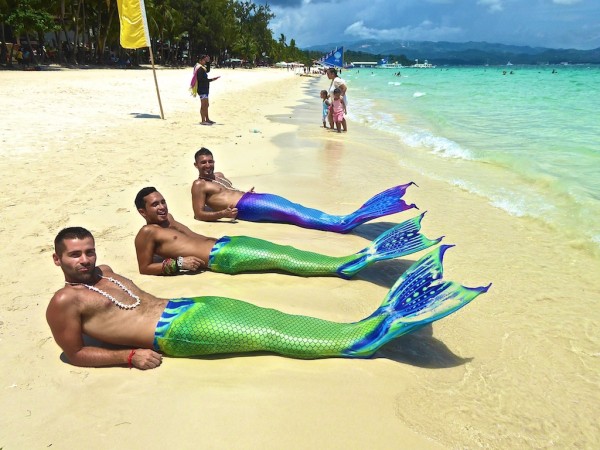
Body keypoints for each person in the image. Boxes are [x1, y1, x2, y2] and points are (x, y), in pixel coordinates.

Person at [46, 227, 489, 369]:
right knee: (272, 333)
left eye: (88, 251)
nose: (85, 260)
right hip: (174, 333)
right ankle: (364, 337)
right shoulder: (64, 302)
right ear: (57, 260)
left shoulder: (104, 274)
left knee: (278, 317)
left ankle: (369, 322)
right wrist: (129, 358)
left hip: (188, 308)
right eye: (74, 256)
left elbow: (140, 292)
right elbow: (75, 351)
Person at [134, 187, 440, 278]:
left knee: (287, 253)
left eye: (162, 201)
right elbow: (144, 268)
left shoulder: (168, 220)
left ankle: (350, 261)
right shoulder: (146, 234)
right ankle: (346, 266)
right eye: (154, 205)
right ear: (142, 211)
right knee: (284, 258)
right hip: (218, 257)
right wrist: (178, 265)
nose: (161, 207)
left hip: (226, 243)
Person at [191, 147, 417, 233]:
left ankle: (341, 220)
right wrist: (222, 214)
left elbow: (226, 192)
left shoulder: (219, 176)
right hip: (246, 207)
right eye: (204, 163)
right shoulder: (199, 185)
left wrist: (242, 191)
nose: (208, 165)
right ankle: (341, 224)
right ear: (196, 166)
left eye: (210, 161)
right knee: (294, 214)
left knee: (295, 208)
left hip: (251, 198)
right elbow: (198, 213)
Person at [193, 55, 220, 125]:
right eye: (204, 60)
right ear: (200, 60)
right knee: (203, 105)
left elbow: (207, 70)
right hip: (202, 89)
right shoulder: (199, 68)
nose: (205, 62)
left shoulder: (202, 68)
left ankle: (207, 119)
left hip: (204, 88)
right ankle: (203, 120)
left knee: (206, 104)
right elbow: (202, 80)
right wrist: (212, 79)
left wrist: (208, 62)